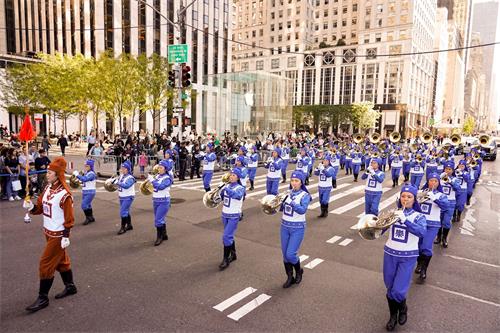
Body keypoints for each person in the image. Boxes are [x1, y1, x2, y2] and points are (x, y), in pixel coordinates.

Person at [23, 157, 77, 312]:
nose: (47, 174)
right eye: (47, 172)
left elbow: (69, 218)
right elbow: (40, 208)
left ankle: (43, 297)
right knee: (61, 261)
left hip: (58, 234)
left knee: (45, 263)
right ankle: (70, 286)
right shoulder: (47, 188)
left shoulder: (65, 194)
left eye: (49, 172)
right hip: (48, 231)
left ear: (57, 174)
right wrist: (31, 207)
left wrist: (66, 235)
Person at [382, 185, 427, 331]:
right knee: (390, 288)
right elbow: (381, 230)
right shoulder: (394, 212)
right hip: (390, 253)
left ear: (414, 200)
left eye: (409, 197)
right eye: (403, 196)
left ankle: (403, 307)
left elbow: (421, 232)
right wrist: (376, 224)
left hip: (408, 256)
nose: (405, 199)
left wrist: (405, 221)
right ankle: (392, 316)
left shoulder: (419, 216)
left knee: (399, 291)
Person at [415, 173, 449, 284]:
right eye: (431, 180)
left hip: (432, 225)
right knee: (418, 246)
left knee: (426, 247)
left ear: (438, 183)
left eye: (435, 181)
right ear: (428, 181)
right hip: (419, 223)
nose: (433, 183)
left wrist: (434, 198)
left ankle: (424, 269)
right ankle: (419, 263)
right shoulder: (421, 192)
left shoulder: (441, 195)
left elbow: (445, 206)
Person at [279, 170, 311, 288]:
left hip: (297, 227)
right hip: (284, 226)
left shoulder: (305, 195)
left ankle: (298, 271)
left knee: (291, 254)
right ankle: (289, 277)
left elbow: (302, 210)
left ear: (301, 182)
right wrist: (278, 203)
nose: (294, 183)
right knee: (285, 255)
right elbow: (281, 209)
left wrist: (290, 202)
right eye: (292, 180)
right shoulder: (287, 193)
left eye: (296, 181)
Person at [218, 168, 246, 270]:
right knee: (229, 236)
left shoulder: (240, 188)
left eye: (234, 175)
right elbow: (220, 198)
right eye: (231, 175)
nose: (231, 176)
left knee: (226, 236)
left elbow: (237, 196)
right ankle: (233, 254)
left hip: (234, 215)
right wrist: (217, 193)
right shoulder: (227, 186)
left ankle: (225, 259)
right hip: (224, 214)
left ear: (238, 177)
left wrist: (226, 189)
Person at [435, 161, 461, 248]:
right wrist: (438, 178)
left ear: (453, 170)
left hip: (450, 202)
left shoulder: (455, 179)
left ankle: (444, 238)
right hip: (440, 202)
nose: (448, 171)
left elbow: (458, 189)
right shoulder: (440, 178)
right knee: (439, 220)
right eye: (446, 169)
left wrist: (450, 182)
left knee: (446, 222)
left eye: (450, 169)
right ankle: (438, 237)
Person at [149, 159, 173, 246]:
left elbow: (161, 187)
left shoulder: (167, 178)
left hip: (163, 201)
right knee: (160, 219)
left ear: (165, 169)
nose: (159, 169)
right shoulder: (158, 176)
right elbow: (154, 186)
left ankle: (159, 237)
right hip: (155, 200)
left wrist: (152, 181)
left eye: (161, 167)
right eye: (159, 167)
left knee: (158, 220)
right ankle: (164, 234)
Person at [115, 160, 136, 235]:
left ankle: (123, 228)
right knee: (126, 211)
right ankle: (129, 225)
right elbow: (118, 183)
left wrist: (118, 183)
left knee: (123, 211)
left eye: (124, 168)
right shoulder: (121, 176)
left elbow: (127, 186)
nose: (122, 170)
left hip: (128, 197)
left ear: (127, 169)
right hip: (122, 196)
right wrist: (113, 181)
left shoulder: (131, 178)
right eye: (122, 168)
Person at [74, 160, 97, 225]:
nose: (85, 167)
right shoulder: (87, 172)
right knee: (88, 205)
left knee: (84, 205)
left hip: (90, 192)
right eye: (85, 166)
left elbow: (85, 179)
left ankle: (88, 218)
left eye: (87, 166)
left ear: (91, 166)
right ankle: (91, 217)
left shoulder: (92, 173)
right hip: (85, 191)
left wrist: (77, 175)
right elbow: (84, 181)